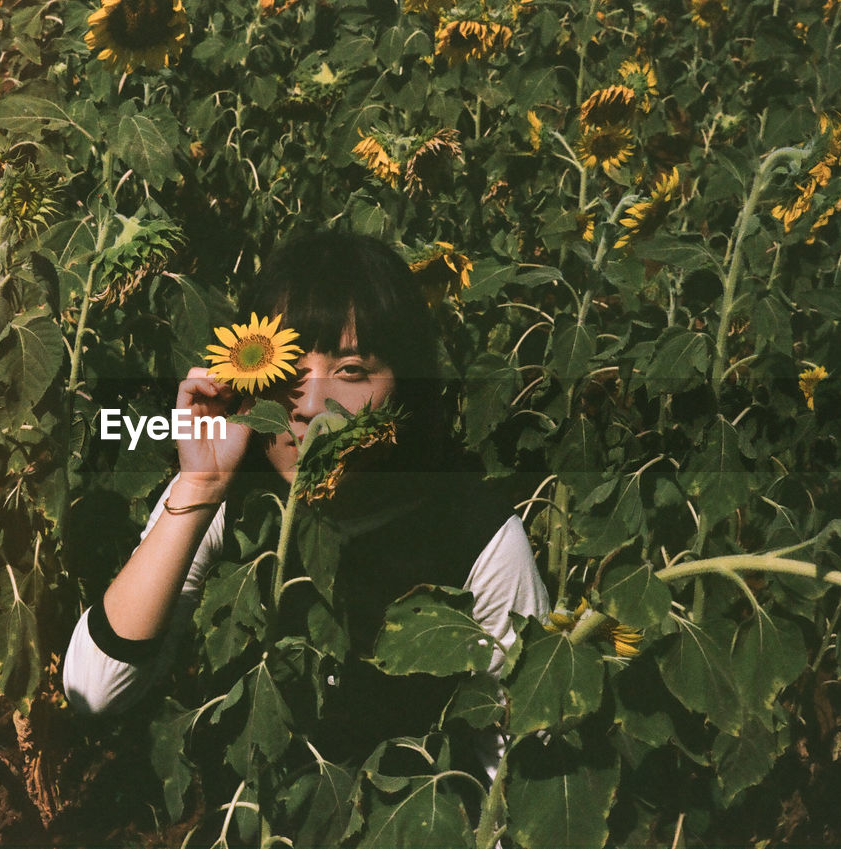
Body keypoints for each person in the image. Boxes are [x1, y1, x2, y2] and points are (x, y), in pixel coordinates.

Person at [62, 231, 549, 778]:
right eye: (287, 370)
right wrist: (197, 489)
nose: (312, 407)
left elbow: (514, 761)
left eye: (351, 372)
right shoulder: (230, 504)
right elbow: (93, 690)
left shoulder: (474, 534)